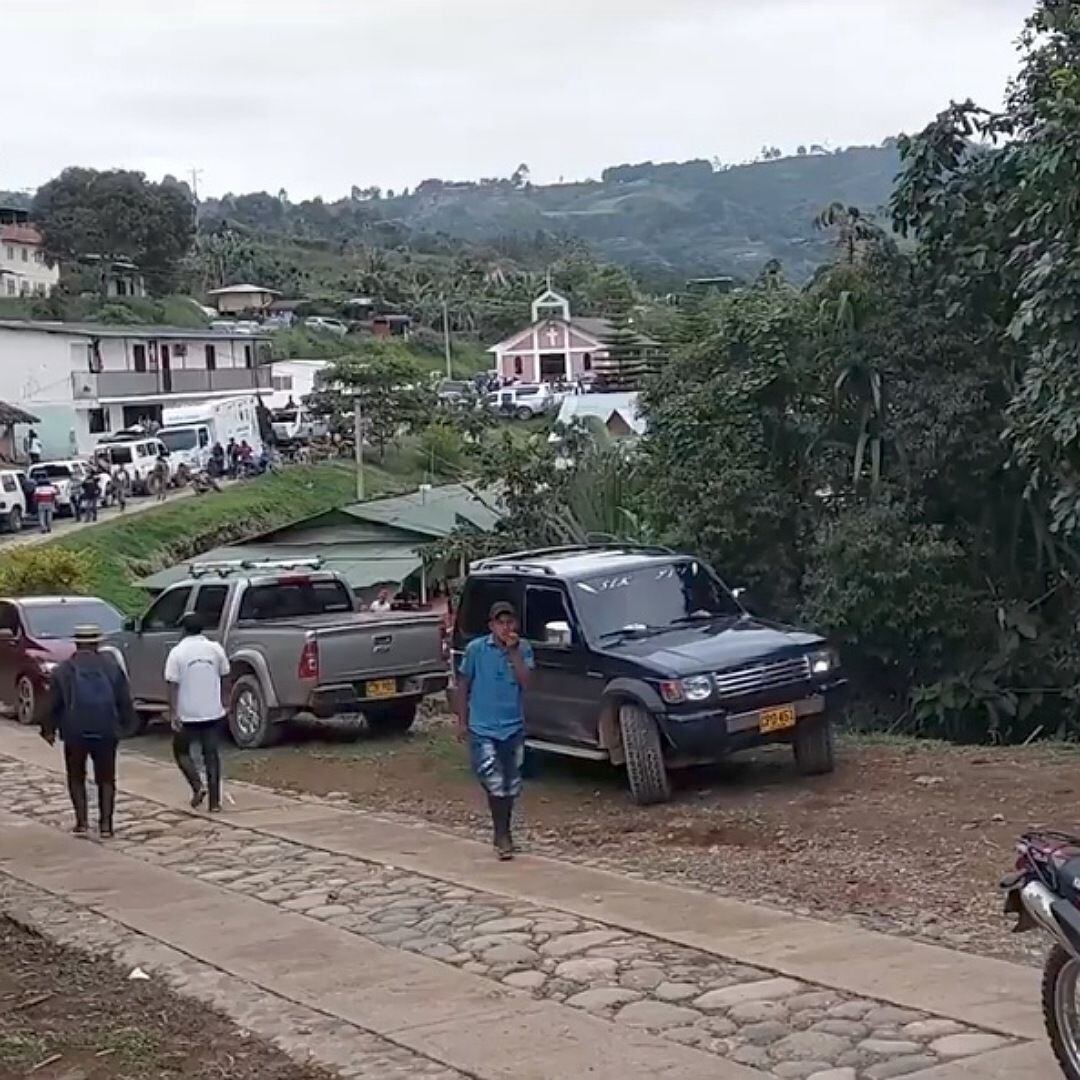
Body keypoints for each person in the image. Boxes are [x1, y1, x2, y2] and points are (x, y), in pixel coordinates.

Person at [454, 601, 534, 860]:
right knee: (493, 780)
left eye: (510, 623)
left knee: (511, 783)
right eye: (500, 623)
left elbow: (526, 682)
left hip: (512, 725)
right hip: (483, 725)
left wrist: (513, 654)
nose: (506, 628)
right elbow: (463, 684)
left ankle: (505, 831)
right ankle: (502, 834)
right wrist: (462, 721)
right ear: (491, 626)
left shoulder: (523, 649)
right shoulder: (476, 649)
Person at [40, 624, 135, 838]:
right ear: (98, 643)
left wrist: (48, 730)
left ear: (76, 643)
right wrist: (126, 726)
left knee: (76, 776)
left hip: (74, 731)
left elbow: (52, 704)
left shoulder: (63, 669)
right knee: (106, 778)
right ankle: (106, 825)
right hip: (106, 730)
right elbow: (124, 701)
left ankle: (82, 822)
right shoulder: (111, 667)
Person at [165, 613, 230, 812]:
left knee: (181, 751)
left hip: (187, 714)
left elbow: (172, 684)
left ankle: (197, 785)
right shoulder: (215, 649)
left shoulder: (177, 653)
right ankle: (215, 802)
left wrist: (173, 712)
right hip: (212, 711)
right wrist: (225, 701)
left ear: (184, 630)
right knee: (211, 755)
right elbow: (225, 675)